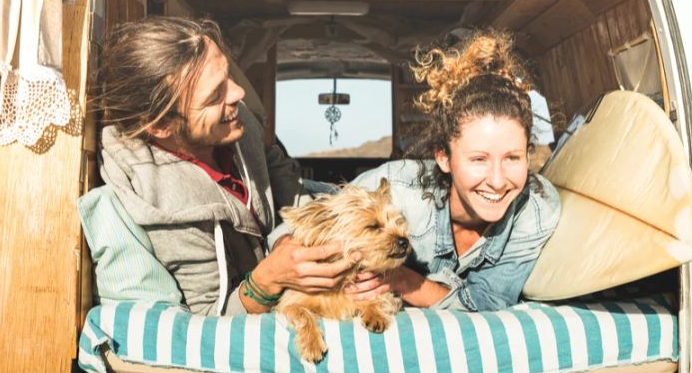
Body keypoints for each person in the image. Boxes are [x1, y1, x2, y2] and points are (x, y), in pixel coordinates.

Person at [79, 16, 355, 316]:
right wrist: (266, 281)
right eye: (215, 95)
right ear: (161, 125)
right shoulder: (164, 207)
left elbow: (276, 167)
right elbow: (209, 320)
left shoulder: (238, 122)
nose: (238, 94)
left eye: (228, 77)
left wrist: (293, 235)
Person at [269, 30, 561, 311]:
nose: (498, 181)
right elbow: (296, 229)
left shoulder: (536, 208)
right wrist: (290, 252)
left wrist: (404, 281)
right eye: (478, 159)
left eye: (512, 158)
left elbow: (487, 302)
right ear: (443, 157)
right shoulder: (396, 188)